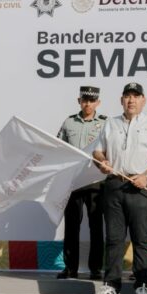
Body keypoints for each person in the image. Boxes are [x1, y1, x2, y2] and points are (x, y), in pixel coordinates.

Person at [91, 82, 147, 294]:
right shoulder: (110, 123)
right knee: (114, 238)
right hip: (114, 184)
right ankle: (111, 286)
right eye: (127, 96)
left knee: (142, 238)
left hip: (141, 186)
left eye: (136, 96)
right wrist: (102, 161)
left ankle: (142, 285)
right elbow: (97, 151)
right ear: (121, 100)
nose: (131, 100)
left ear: (143, 100)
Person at [56, 86, 107, 280]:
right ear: (79, 101)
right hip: (73, 182)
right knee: (71, 226)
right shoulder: (69, 122)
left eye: (92, 101)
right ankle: (70, 268)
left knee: (96, 226)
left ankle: (95, 268)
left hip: (95, 181)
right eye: (84, 100)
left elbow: (110, 148)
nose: (88, 104)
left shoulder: (105, 123)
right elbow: (59, 147)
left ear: (97, 103)